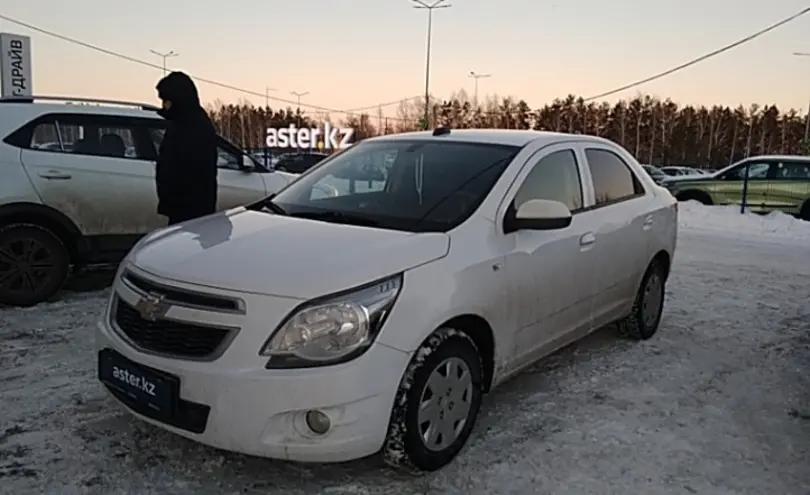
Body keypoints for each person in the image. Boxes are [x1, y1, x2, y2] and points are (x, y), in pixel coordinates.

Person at [154, 71, 218, 225]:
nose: (164, 105)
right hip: (183, 206)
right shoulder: (182, 121)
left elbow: (191, 170)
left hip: (190, 209)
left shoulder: (192, 125)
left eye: (166, 100)